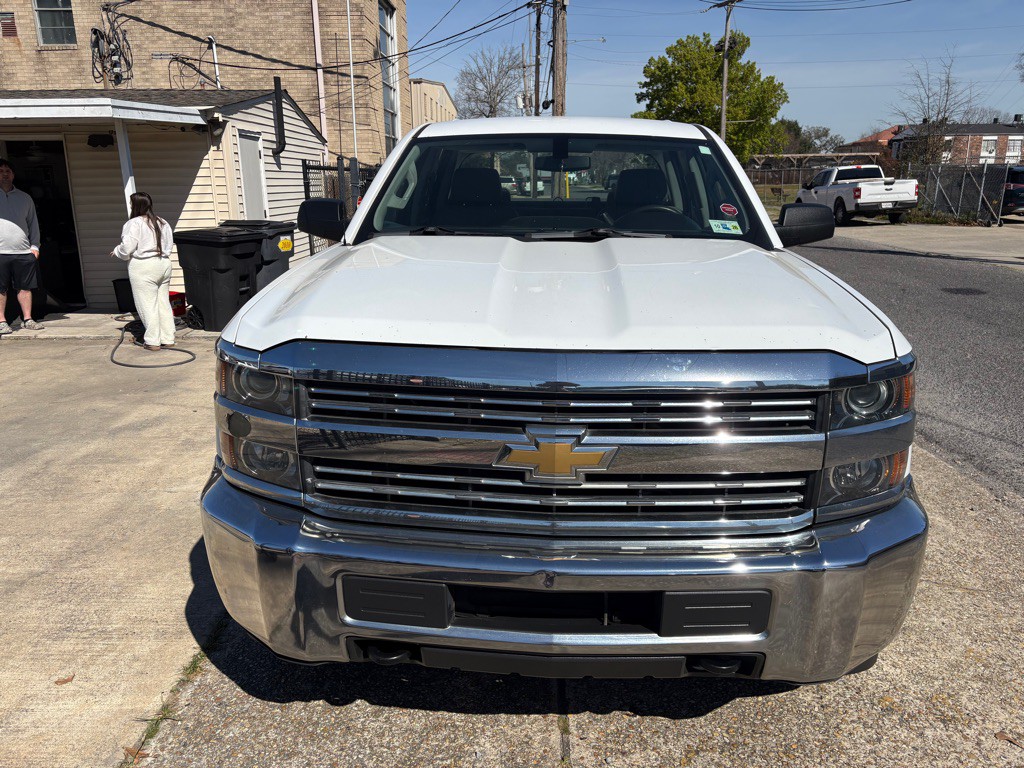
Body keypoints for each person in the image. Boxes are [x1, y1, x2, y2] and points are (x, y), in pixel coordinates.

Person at [112, 192, 175, 351]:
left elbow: (127, 248)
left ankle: (152, 341)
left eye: (131, 204)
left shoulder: (134, 223)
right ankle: (168, 338)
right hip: (163, 263)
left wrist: (117, 251)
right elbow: (168, 244)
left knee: (147, 304)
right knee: (163, 302)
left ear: (135, 205)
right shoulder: (162, 222)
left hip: (143, 266)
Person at [0, 158, 43, 335]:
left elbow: (33, 223)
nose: (4, 174)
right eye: (1, 171)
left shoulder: (25, 198)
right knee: (0, 289)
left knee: (25, 287)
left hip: (23, 251)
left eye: (8, 171)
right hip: (0, 252)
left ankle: (28, 319)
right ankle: (2, 321)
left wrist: (35, 247)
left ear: (13, 175)